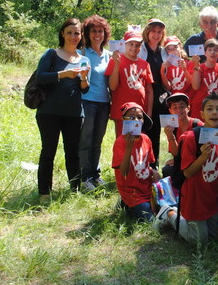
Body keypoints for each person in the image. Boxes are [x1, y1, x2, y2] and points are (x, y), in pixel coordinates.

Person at [155, 92, 218, 243]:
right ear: (201, 113)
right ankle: (169, 213)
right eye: (209, 109)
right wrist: (203, 157)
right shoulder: (191, 137)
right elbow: (187, 173)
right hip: (194, 197)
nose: (214, 112)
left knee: (216, 239)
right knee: (198, 241)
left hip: (211, 197)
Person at [35, 18, 90, 203]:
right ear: (62, 34)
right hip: (49, 112)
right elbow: (41, 77)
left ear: (81, 36)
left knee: (72, 152)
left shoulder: (84, 59)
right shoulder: (51, 54)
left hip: (74, 113)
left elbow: (85, 89)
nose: (73, 36)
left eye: (77, 33)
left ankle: (75, 189)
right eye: (69, 32)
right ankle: (44, 192)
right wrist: (64, 74)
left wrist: (83, 78)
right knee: (48, 151)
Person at [78, 15, 112, 192]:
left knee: (97, 141)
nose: (97, 34)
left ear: (105, 33)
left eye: (100, 31)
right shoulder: (82, 53)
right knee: (86, 140)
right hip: (87, 102)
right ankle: (84, 178)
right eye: (94, 31)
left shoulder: (109, 55)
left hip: (104, 103)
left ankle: (95, 175)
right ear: (87, 33)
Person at [112, 102, 160, 221]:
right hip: (131, 192)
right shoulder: (120, 142)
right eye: (131, 117)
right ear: (124, 120)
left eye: (139, 117)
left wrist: (154, 172)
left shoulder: (146, 139)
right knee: (151, 220)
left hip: (147, 187)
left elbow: (146, 164)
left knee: (163, 208)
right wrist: (129, 147)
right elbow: (123, 172)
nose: (136, 120)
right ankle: (127, 203)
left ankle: (126, 205)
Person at [105, 30, 154, 137]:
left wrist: (149, 111)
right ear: (124, 44)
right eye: (131, 44)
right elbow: (112, 86)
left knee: (138, 140)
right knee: (122, 141)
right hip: (121, 111)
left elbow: (149, 90)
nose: (134, 47)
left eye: (137, 45)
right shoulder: (115, 60)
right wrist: (117, 65)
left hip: (140, 112)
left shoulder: (145, 64)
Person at [138, 18, 169, 169]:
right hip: (141, 93)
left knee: (154, 131)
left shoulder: (163, 52)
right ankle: (137, 164)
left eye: (159, 32)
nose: (156, 35)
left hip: (158, 96)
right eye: (154, 31)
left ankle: (153, 164)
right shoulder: (140, 48)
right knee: (139, 130)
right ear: (147, 32)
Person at [162, 93, 204, 177]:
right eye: (175, 107)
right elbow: (175, 153)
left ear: (188, 108)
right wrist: (171, 136)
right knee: (167, 170)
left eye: (182, 106)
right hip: (182, 161)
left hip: (197, 161)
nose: (179, 110)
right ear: (170, 111)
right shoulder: (172, 128)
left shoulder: (198, 125)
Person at [190, 38, 218, 120]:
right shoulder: (199, 67)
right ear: (205, 53)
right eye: (209, 50)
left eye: (215, 50)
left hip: (215, 109)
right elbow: (195, 86)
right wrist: (196, 66)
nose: (212, 52)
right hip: (199, 108)